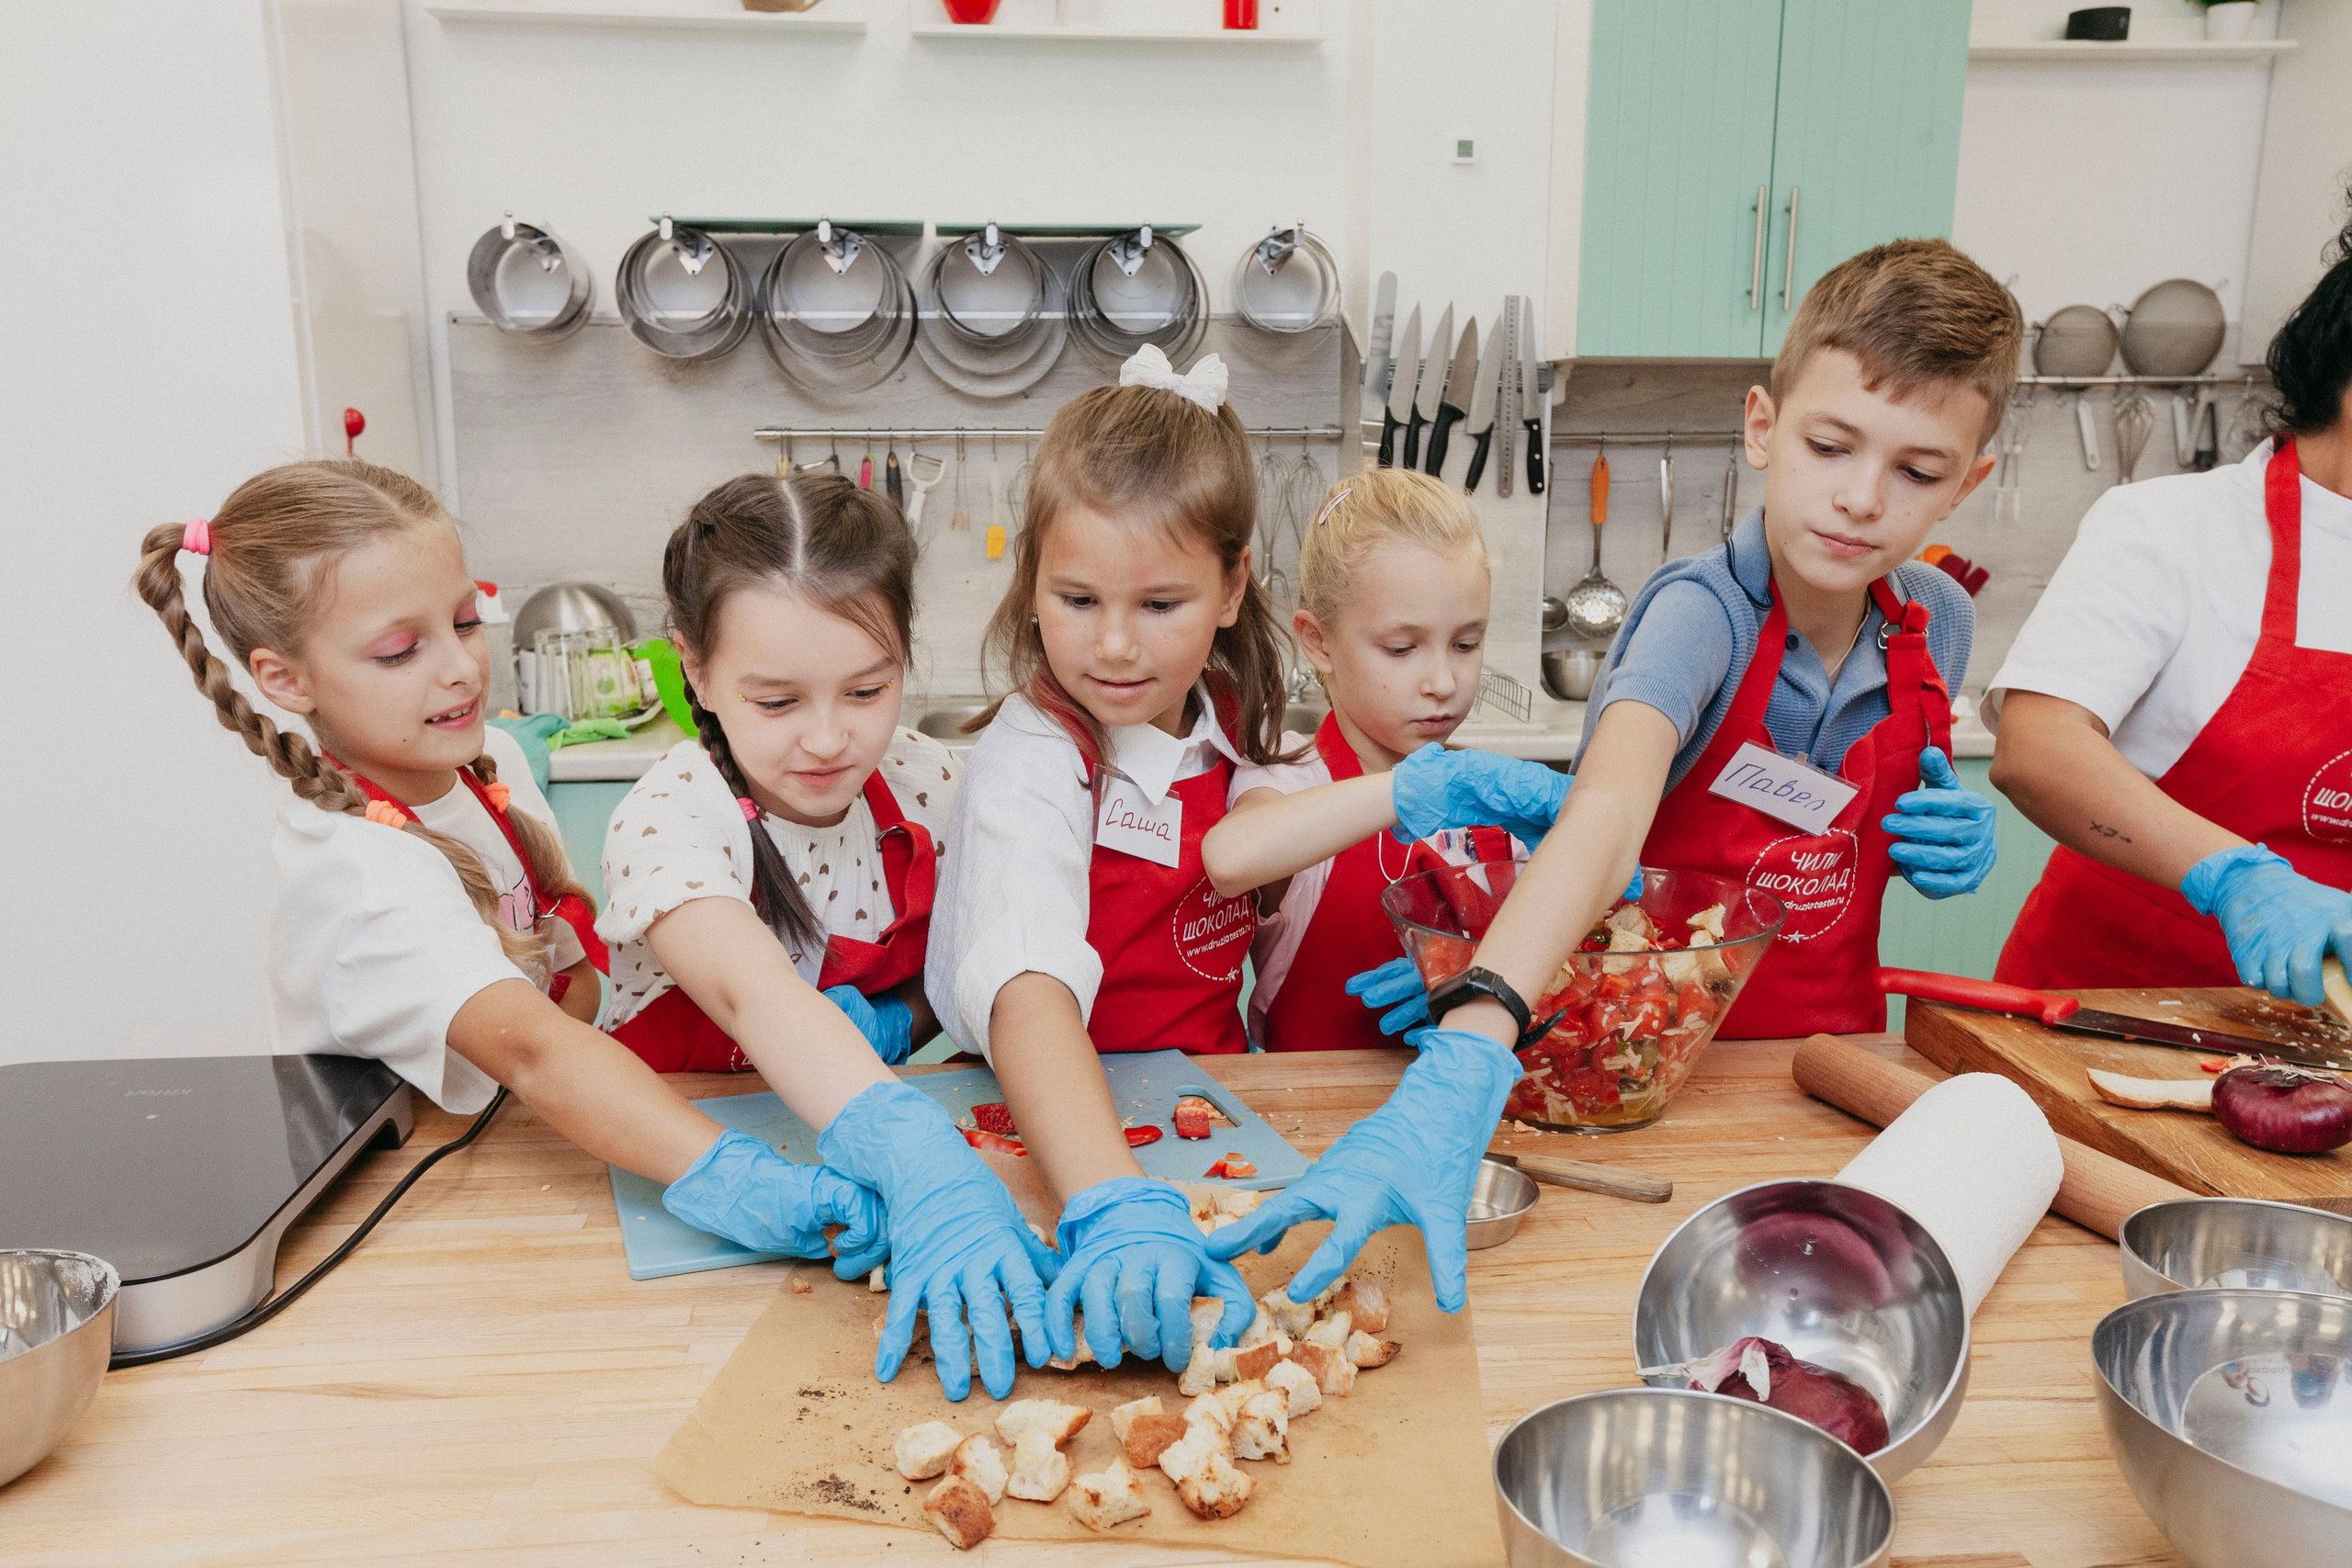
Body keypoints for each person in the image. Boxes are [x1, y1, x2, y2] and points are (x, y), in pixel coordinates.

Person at [1211, 239, 2020, 1309]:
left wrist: (1937, 836)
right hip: (1647, 1072)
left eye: (1916, 472)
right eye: (1831, 446)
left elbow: (1845, 823)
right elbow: (1601, 821)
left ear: (1969, 484)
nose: (1863, 499)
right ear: (1763, 429)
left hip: (1830, 1070)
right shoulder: (1696, 619)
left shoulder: (1942, 626)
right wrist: (1481, 1032)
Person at [132, 459, 882, 1297]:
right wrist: (736, 1176)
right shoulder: (361, 875)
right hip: (380, 1224)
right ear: (284, 679)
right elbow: (535, 1047)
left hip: (502, 1164)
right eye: (399, 650)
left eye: (463, 620)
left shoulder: (494, 772)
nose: (457, 668)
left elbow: (572, 986)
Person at [595, 470, 1056, 1403]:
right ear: (694, 668)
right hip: (700, 1192)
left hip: (867, 1195)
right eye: (777, 702)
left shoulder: (926, 782)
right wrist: (911, 1147)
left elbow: (969, 958)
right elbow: (748, 992)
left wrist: (894, 1019)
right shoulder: (671, 818)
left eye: (865, 689)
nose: (828, 739)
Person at [925, 345, 1293, 1373]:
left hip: (1204, 1126)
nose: (1116, 647)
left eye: (1159, 606)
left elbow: (1264, 852)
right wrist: (1109, 1203)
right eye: (1076, 600)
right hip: (1054, 1139)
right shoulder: (1030, 761)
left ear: (1231, 588)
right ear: (1031, 581)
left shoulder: (1225, 721)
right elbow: (1029, 989)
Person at [1988, 205, 2352, 1007]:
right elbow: (2036, 747)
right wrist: (2237, 878)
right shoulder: (2172, 527)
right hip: (2104, 1021)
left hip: (2327, 1051)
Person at [1201, 468, 1517, 1052]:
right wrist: (1403, 792)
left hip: (1461, 1104)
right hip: (1305, 1114)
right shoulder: (1288, 779)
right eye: (1402, 648)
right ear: (1319, 643)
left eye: (1467, 644)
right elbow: (1234, 854)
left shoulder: (1487, 795)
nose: (1444, 681)